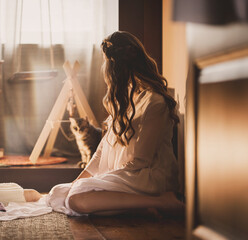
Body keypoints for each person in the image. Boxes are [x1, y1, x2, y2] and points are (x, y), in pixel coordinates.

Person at [46, 31, 184, 216]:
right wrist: (76, 183)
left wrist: (99, 181)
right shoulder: (124, 98)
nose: (105, 69)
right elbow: (101, 151)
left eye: (106, 63)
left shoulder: (155, 102)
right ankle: (136, 205)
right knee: (57, 193)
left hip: (146, 177)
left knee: (76, 199)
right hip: (124, 174)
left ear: (115, 66)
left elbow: (140, 161)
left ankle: (160, 201)